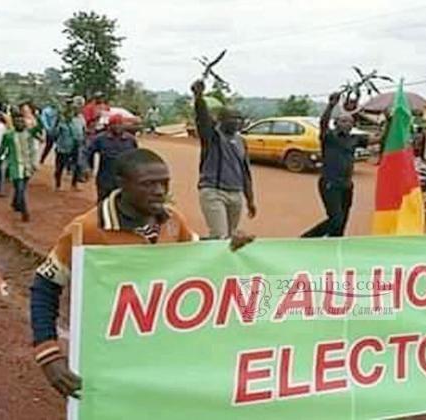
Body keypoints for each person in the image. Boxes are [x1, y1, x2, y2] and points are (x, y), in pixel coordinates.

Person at [29, 148, 254, 398]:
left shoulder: (172, 221)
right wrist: (48, 353)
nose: (159, 191)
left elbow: (195, 254)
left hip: (159, 348)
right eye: (148, 184)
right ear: (122, 184)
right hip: (108, 352)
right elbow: (45, 286)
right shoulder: (87, 230)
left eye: (164, 183)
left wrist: (226, 245)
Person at [191, 80, 256, 239]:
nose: (236, 122)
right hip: (213, 191)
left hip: (236, 193)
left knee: (230, 236)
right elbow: (203, 119)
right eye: (232, 118)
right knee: (219, 235)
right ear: (221, 120)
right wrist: (199, 97)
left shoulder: (241, 141)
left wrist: (250, 200)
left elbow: (245, 172)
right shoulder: (212, 137)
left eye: (239, 118)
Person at [302, 92, 357, 238]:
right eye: (344, 121)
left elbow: (379, 141)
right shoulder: (329, 137)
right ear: (336, 123)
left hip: (347, 185)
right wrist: (331, 105)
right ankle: (307, 238)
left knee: (342, 223)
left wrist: (391, 121)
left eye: (350, 121)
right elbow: (323, 123)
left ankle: (334, 245)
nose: (348, 124)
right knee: (336, 220)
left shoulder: (354, 139)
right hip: (330, 184)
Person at [0, 108, 42, 222]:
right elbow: (1, 149)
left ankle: (15, 203)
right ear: (14, 123)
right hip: (15, 166)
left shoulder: (29, 133)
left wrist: (37, 115)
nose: (20, 123)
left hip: (27, 166)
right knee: (20, 188)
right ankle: (24, 212)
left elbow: (40, 127)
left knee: (22, 187)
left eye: (22, 121)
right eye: (17, 121)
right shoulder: (9, 135)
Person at [86, 114, 138, 201]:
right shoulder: (100, 139)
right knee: (103, 203)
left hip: (123, 180)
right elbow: (86, 152)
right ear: (109, 126)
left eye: (120, 124)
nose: (117, 126)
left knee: (121, 204)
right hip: (105, 179)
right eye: (114, 124)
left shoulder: (130, 140)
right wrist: (86, 167)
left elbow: (136, 158)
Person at [52, 105, 82, 191]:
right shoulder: (61, 124)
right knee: (59, 167)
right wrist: (56, 124)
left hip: (75, 147)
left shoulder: (78, 121)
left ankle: (74, 184)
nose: (70, 115)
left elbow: (81, 132)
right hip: (62, 148)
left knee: (77, 165)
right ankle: (58, 185)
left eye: (71, 113)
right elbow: (54, 134)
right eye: (68, 113)